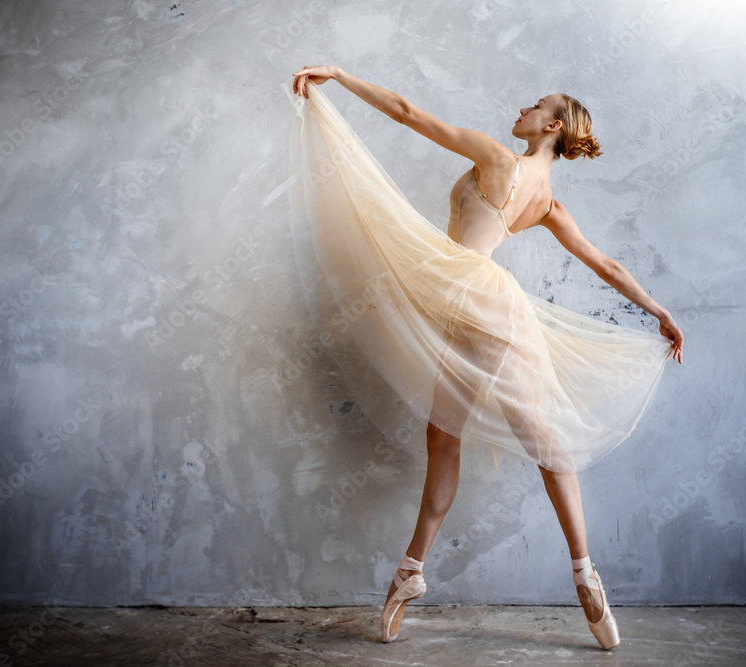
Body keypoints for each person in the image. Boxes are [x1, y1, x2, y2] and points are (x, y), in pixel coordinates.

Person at [289, 65, 684, 649]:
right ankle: (552, 573)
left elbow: (406, 111)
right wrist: (658, 310)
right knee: (476, 438)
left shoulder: (500, 158)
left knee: (505, 439)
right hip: (478, 308)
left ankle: (443, 572)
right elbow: (606, 265)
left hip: (475, 302)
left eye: (536, 104)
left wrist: (340, 76)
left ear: (551, 125)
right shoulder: (546, 200)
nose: (523, 107)